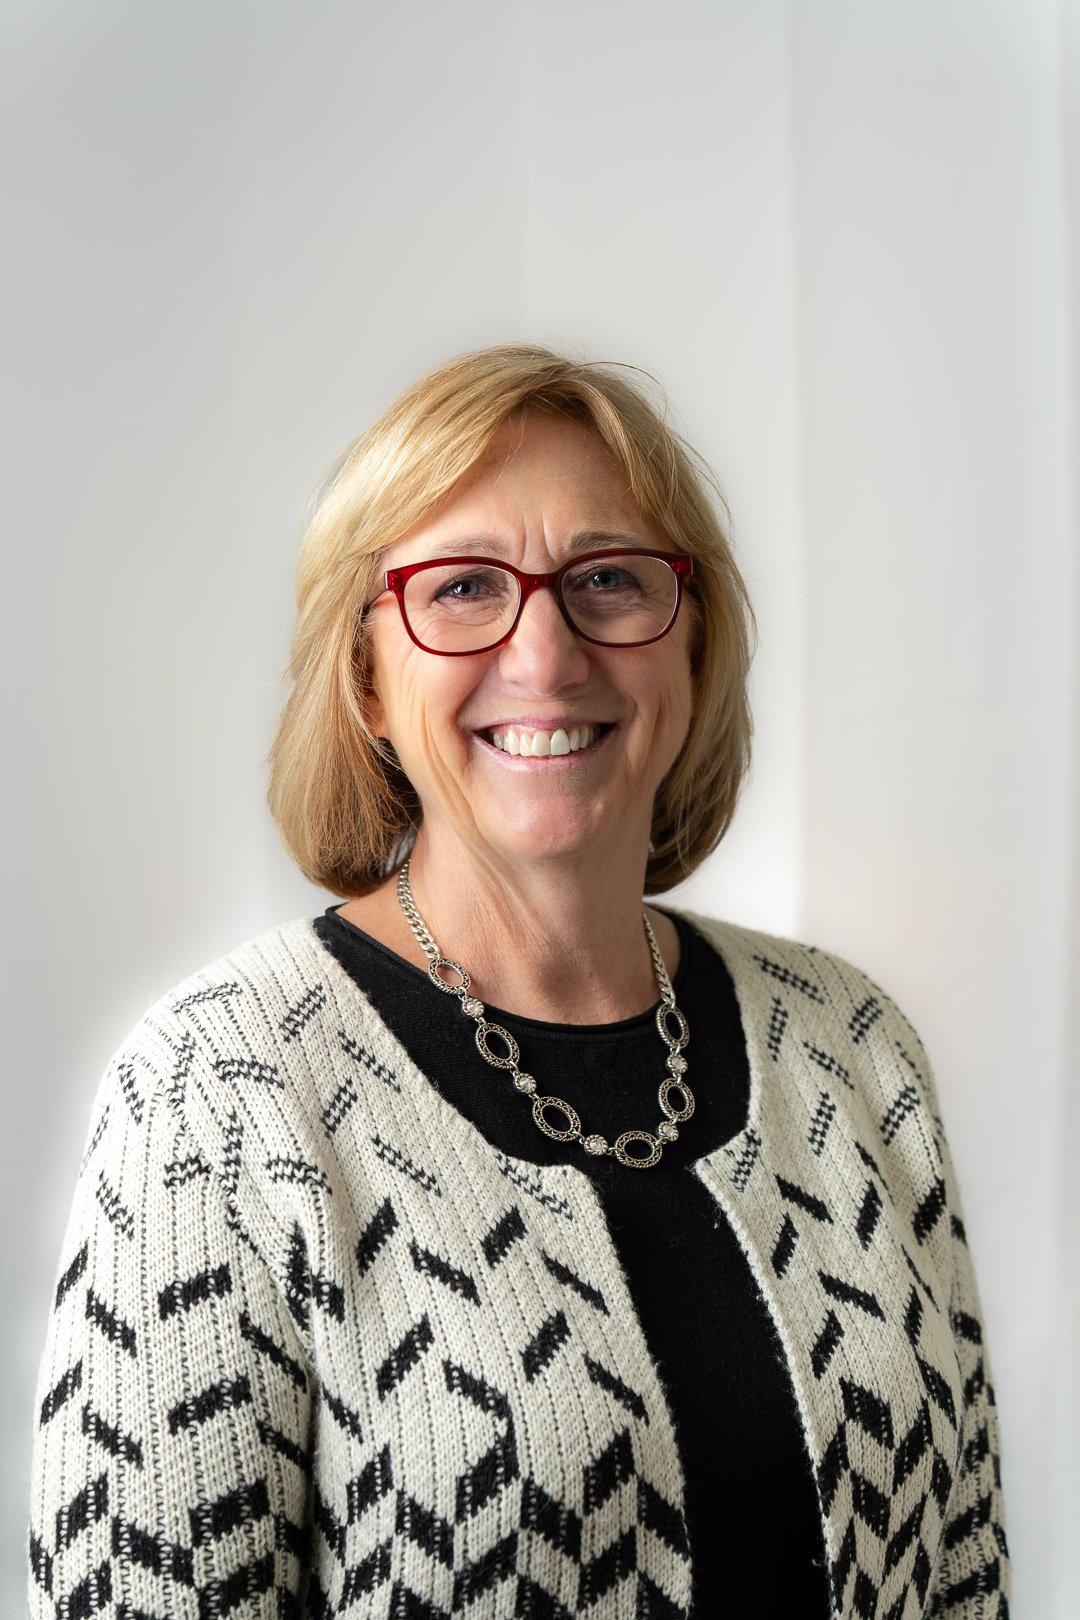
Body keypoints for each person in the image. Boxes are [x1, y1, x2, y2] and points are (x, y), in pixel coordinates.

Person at [28, 344, 1009, 1619]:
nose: (544, 655)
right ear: (368, 676)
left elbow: (967, 1575)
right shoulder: (217, 1098)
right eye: (463, 589)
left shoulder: (853, 1048)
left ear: (693, 644)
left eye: (608, 578)